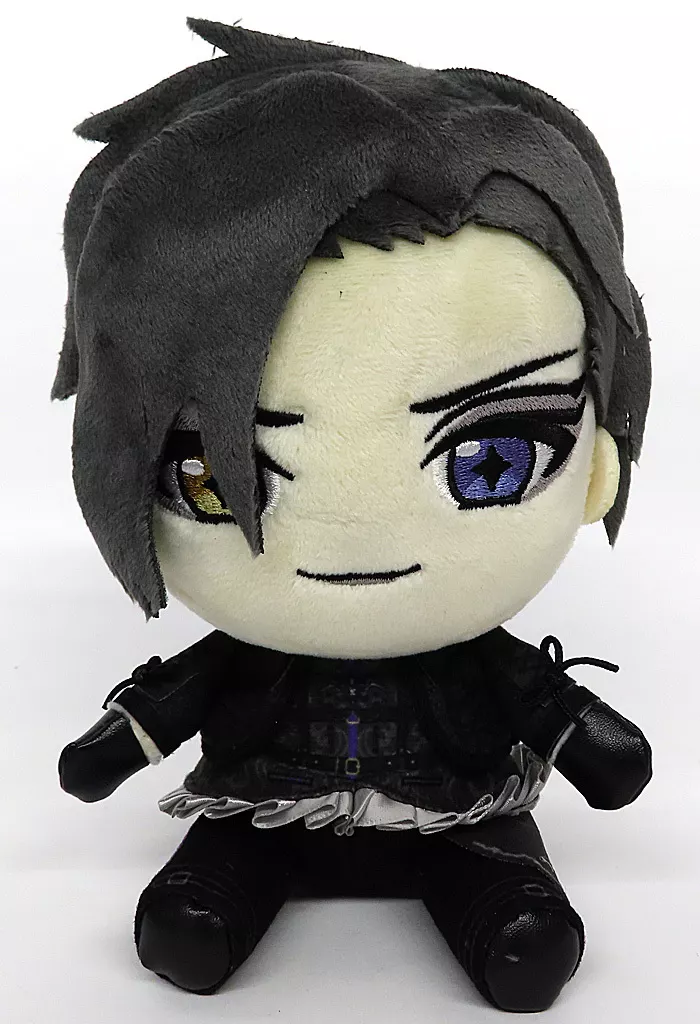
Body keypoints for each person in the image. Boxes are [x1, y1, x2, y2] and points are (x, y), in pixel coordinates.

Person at [56, 17, 652, 1012]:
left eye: (489, 458)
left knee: (515, 921)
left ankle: (503, 905)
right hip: (265, 807)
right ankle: (217, 899)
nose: (361, 537)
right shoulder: (250, 658)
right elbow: (173, 699)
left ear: (594, 467)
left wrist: (593, 740)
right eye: (216, 477)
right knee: (197, 911)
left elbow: (547, 707)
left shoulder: (472, 659)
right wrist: (113, 743)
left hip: (457, 810)